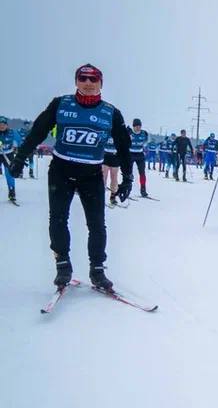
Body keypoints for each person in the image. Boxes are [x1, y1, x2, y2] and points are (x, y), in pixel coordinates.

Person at [9, 64, 132, 290]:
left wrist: (128, 178)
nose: (88, 83)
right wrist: (20, 157)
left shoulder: (111, 112)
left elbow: (124, 147)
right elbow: (38, 131)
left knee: (97, 224)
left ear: (101, 83)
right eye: (82, 78)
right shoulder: (61, 104)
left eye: (93, 79)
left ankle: (97, 270)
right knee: (58, 219)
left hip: (91, 174)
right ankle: (63, 265)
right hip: (61, 171)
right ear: (76, 81)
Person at [128, 119, 150, 197]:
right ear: (133, 126)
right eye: (136, 126)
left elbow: (145, 143)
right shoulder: (129, 133)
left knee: (142, 173)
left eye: (139, 126)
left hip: (140, 154)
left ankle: (143, 190)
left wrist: (146, 149)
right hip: (130, 154)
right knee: (128, 172)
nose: (138, 128)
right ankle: (127, 189)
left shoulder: (144, 133)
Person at [0, 116, 17, 203]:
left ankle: (11, 191)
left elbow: (19, 141)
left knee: (9, 173)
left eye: (3, 124)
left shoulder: (12, 132)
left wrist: (16, 145)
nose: (2, 126)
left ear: (7, 125)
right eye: (0, 124)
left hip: (8, 155)